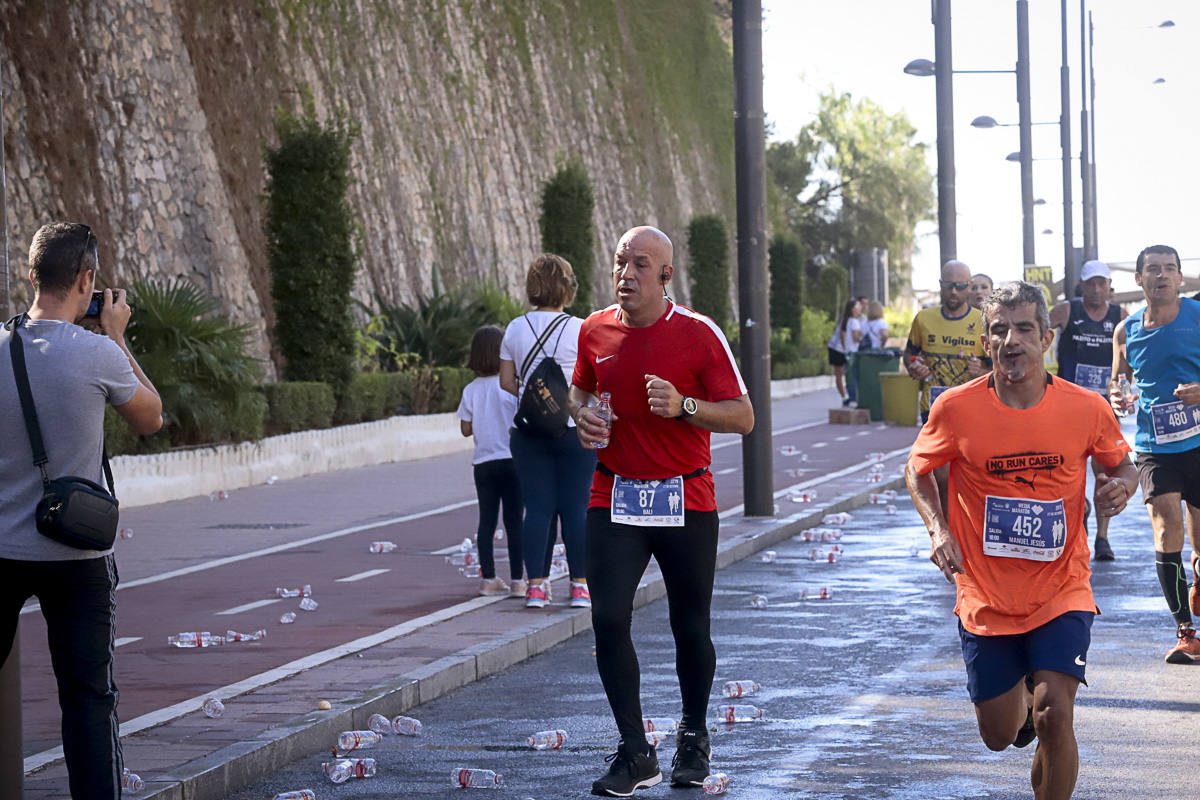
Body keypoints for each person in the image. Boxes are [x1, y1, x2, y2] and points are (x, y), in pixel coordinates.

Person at [906, 280, 1137, 800]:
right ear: (986, 341)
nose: (1011, 340)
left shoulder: (1084, 407)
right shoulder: (955, 408)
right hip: (986, 592)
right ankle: (1025, 709)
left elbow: (1122, 464)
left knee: (1057, 715)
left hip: (1062, 587)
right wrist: (939, 530)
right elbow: (918, 470)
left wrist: (1120, 487)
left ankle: (1045, 709)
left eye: (1024, 328)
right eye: (999, 330)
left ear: (1047, 337)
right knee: (998, 735)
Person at [569, 226, 753, 796]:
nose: (626, 274)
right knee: (607, 620)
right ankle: (634, 749)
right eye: (621, 263)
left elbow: (743, 416)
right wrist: (583, 417)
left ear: (666, 275)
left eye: (640, 265)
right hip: (615, 495)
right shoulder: (594, 330)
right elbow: (580, 390)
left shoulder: (698, 335)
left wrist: (685, 406)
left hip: (685, 497)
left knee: (689, 625)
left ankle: (693, 736)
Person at [0, 223, 163, 798]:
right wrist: (117, 336)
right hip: (78, 553)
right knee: (89, 702)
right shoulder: (97, 353)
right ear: (87, 280)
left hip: (1, 548)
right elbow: (151, 418)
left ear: (31, 276)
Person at [1109, 244, 1200, 664]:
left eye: (1169, 269)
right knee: (1166, 529)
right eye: (1152, 270)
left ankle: (1196, 576)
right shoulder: (1126, 331)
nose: (1161, 276)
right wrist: (1118, 397)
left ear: (1180, 277)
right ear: (1139, 280)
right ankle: (1186, 632)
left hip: (1199, 441)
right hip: (1153, 446)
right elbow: (1118, 382)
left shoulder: (1198, 317)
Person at [499, 254, 594, 609]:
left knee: (537, 509)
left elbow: (508, 382)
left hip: (529, 433)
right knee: (576, 507)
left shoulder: (514, 328)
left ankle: (536, 587)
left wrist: (537, 398)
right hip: (574, 429)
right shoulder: (581, 328)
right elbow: (592, 384)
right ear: (567, 288)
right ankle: (580, 585)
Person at [1048, 259, 1127, 562]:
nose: (1096, 289)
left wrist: (1125, 388)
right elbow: (1038, 330)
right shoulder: (1068, 311)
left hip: (1104, 408)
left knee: (1106, 472)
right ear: (1081, 286)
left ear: (1109, 287)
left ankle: (1102, 538)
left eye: (1101, 283)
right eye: (1090, 283)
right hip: (1068, 407)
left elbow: (1133, 354)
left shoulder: (1120, 316)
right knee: (1067, 467)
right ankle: (1081, 505)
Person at [457, 325, 525, 597]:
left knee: (486, 522)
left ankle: (488, 579)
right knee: (514, 521)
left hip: (483, 463)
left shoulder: (471, 390)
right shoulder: (510, 388)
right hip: (512, 460)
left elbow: (465, 429)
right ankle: (519, 580)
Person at [827, 298, 862, 407]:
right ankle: (850, 398)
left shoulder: (843, 319)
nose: (860, 308)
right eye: (858, 306)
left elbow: (841, 334)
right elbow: (855, 338)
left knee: (840, 375)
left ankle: (845, 397)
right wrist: (862, 337)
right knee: (848, 375)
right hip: (842, 351)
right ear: (852, 309)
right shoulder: (854, 322)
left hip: (835, 348)